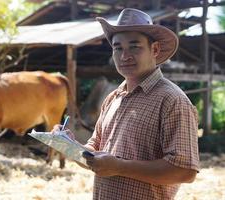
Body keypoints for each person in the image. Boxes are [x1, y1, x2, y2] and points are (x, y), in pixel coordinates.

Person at [53, 8, 199, 200]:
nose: (124, 56)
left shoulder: (172, 100)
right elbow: (94, 156)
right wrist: (69, 146)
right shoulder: (113, 98)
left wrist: (120, 167)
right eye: (118, 48)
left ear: (154, 49)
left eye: (134, 46)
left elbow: (185, 171)